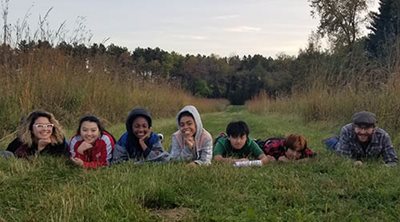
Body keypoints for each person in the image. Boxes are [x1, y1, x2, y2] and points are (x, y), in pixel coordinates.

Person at [324, 111, 398, 166]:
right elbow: (343, 157)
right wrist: (353, 163)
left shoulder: (383, 136)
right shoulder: (346, 130)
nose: (362, 132)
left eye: (367, 128)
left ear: (374, 128)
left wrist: (378, 167)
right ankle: (330, 139)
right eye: (359, 128)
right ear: (353, 127)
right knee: (333, 144)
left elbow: (392, 161)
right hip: (340, 144)